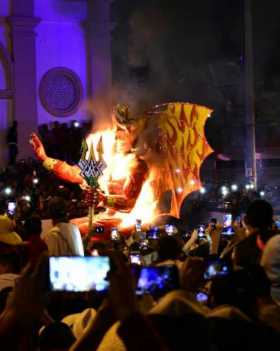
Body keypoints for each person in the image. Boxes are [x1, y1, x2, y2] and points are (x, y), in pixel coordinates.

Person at [30, 102, 213, 237]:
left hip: (125, 223)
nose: (117, 136)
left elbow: (128, 204)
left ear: (133, 135)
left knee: (76, 230)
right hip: (106, 217)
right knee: (68, 227)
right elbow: (73, 173)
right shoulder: (109, 159)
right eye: (116, 130)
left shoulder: (137, 166)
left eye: (123, 131)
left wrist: (103, 198)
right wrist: (45, 158)